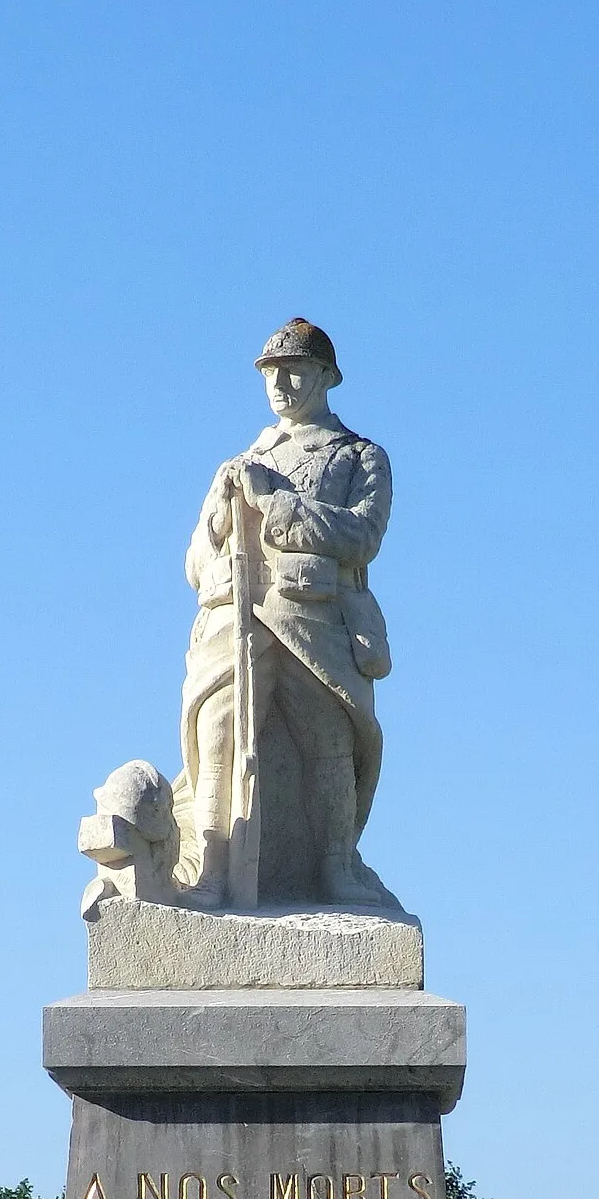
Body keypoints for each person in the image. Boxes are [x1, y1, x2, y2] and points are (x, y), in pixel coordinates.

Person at [174, 320, 395, 908]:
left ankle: (335, 869)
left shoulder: (358, 457)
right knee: (217, 733)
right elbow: (196, 558)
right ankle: (214, 865)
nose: (281, 381)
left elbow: (361, 535)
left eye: (295, 369)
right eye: (271, 371)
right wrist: (223, 517)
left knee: (326, 739)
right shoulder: (239, 460)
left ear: (326, 376)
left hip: (313, 617)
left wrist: (275, 502)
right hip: (236, 618)